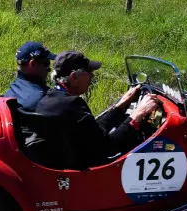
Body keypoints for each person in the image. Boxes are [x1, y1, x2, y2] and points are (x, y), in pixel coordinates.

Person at [30, 50, 160, 169]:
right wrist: (139, 113)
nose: (92, 76)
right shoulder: (72, 104)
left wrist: (119, 106)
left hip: (65, 162)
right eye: (89, 72)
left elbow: (94, 131)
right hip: (84, 168)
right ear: (74, 76)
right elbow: (108, 147)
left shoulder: (50, 99)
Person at [4, 41, 56, 111]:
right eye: (46, 63)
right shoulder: (46, 98)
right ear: (33, 64)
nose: (49, 69)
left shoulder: (8, 94)